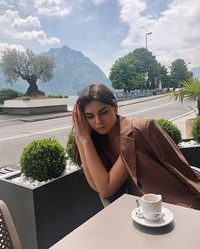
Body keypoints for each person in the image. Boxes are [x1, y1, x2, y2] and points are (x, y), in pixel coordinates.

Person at [72, 83, 200, 209]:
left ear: (115, 107)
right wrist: (81, 138)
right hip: (142, 211)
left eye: (103, 112)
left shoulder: (137, 131)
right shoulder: (99, 142)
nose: (98, 121)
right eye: (90, 116)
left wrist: (85, 140)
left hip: (177, 205)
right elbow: (97, 186)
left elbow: (106, 189)